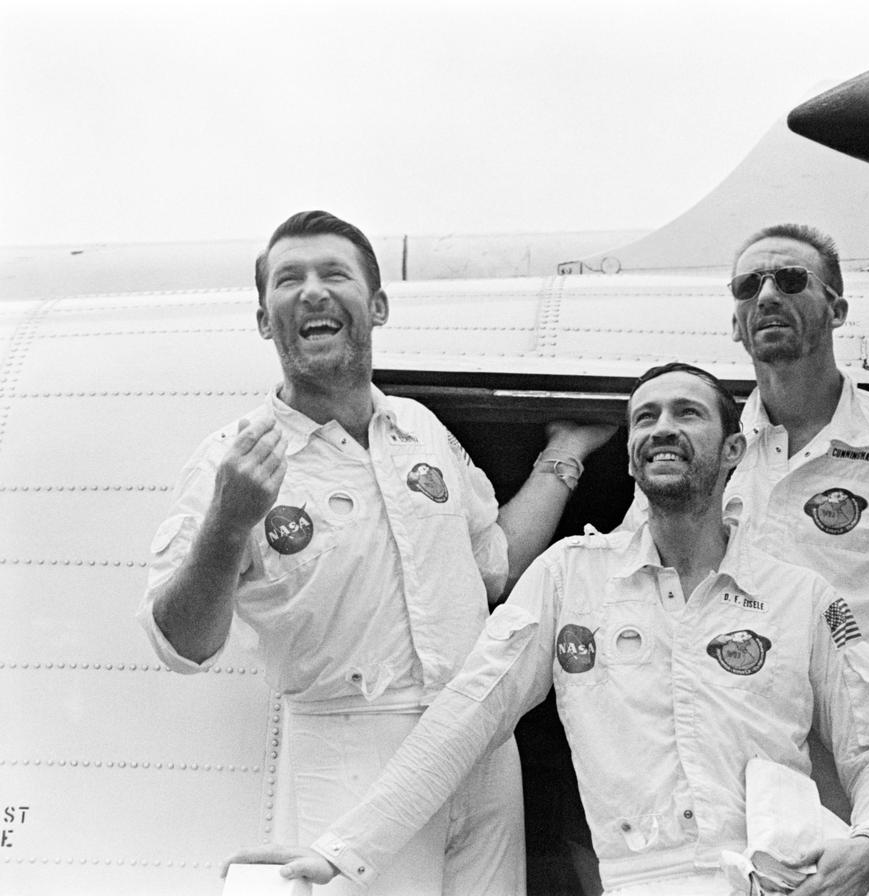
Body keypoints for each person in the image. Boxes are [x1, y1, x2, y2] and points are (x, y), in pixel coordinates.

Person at [226, 362, 869, 896]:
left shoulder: (802, 597)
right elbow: (465, 716)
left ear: (734, 447)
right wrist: (342, 849)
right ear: (629, 457)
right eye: (645, 417)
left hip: (775, 881)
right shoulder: (568, 579)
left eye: (687, 413)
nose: (662, 427)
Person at [138, 210, 614, 896]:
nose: (311, 290)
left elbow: (495, 560)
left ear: (379, 305)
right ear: (265, 321)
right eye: (288, 280)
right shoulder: (232, 462)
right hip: (350, 754)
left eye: (335, 273)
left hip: (478, 747)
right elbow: (179, 644)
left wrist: (565, 453)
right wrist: (226, 521)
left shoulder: (420, 429)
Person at [621, 223, 869, 888]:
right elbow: (633, 583)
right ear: (736, 324)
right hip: (712, 748)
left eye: (791, 280)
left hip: (854, 758)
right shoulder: (704, 448)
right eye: (750, 286)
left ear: (837, 309)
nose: (767, 295)